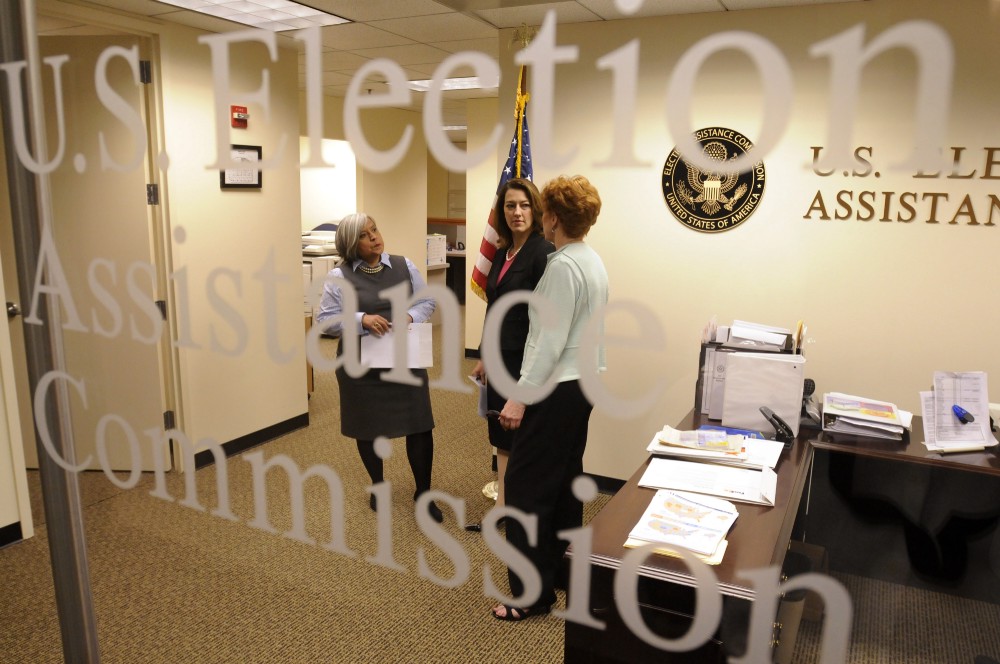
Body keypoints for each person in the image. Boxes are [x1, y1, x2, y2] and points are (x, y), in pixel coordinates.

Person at [490, 175, 609, 622]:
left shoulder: (562, 266)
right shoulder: (591, 260)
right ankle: (560, 573)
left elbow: (548, 342)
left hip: (555, 388)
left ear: (553, 217)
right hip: (582, 386)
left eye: (542, 212)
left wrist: (519, 398)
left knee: (523, 490)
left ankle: (531, 595)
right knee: (561, 485)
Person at [316, 213, 443, 523]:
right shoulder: (340, 277)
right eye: (364, 234)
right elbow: (326, 321)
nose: (374, 237)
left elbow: (427, 302)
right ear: (350, 244)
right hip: (361, 369)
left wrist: (410, 317)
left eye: (374, 229)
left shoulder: (404, 265)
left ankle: (424, 493)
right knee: (368, 427)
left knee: (419, 425)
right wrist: (362, 320)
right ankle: (378, 486)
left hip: (404, 360)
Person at [468, 178, 554, 528]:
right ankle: (502, 507)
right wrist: (485, 353)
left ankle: (524, 511)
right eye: (509, 206)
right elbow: (495, 307)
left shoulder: (542, 252)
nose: (517, 212)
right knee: (501, 434)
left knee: (526, 437)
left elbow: (545, 319)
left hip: (525, 360)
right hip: (500, 357)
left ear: (535, 209)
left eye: (523, 205)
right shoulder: (503, 252)